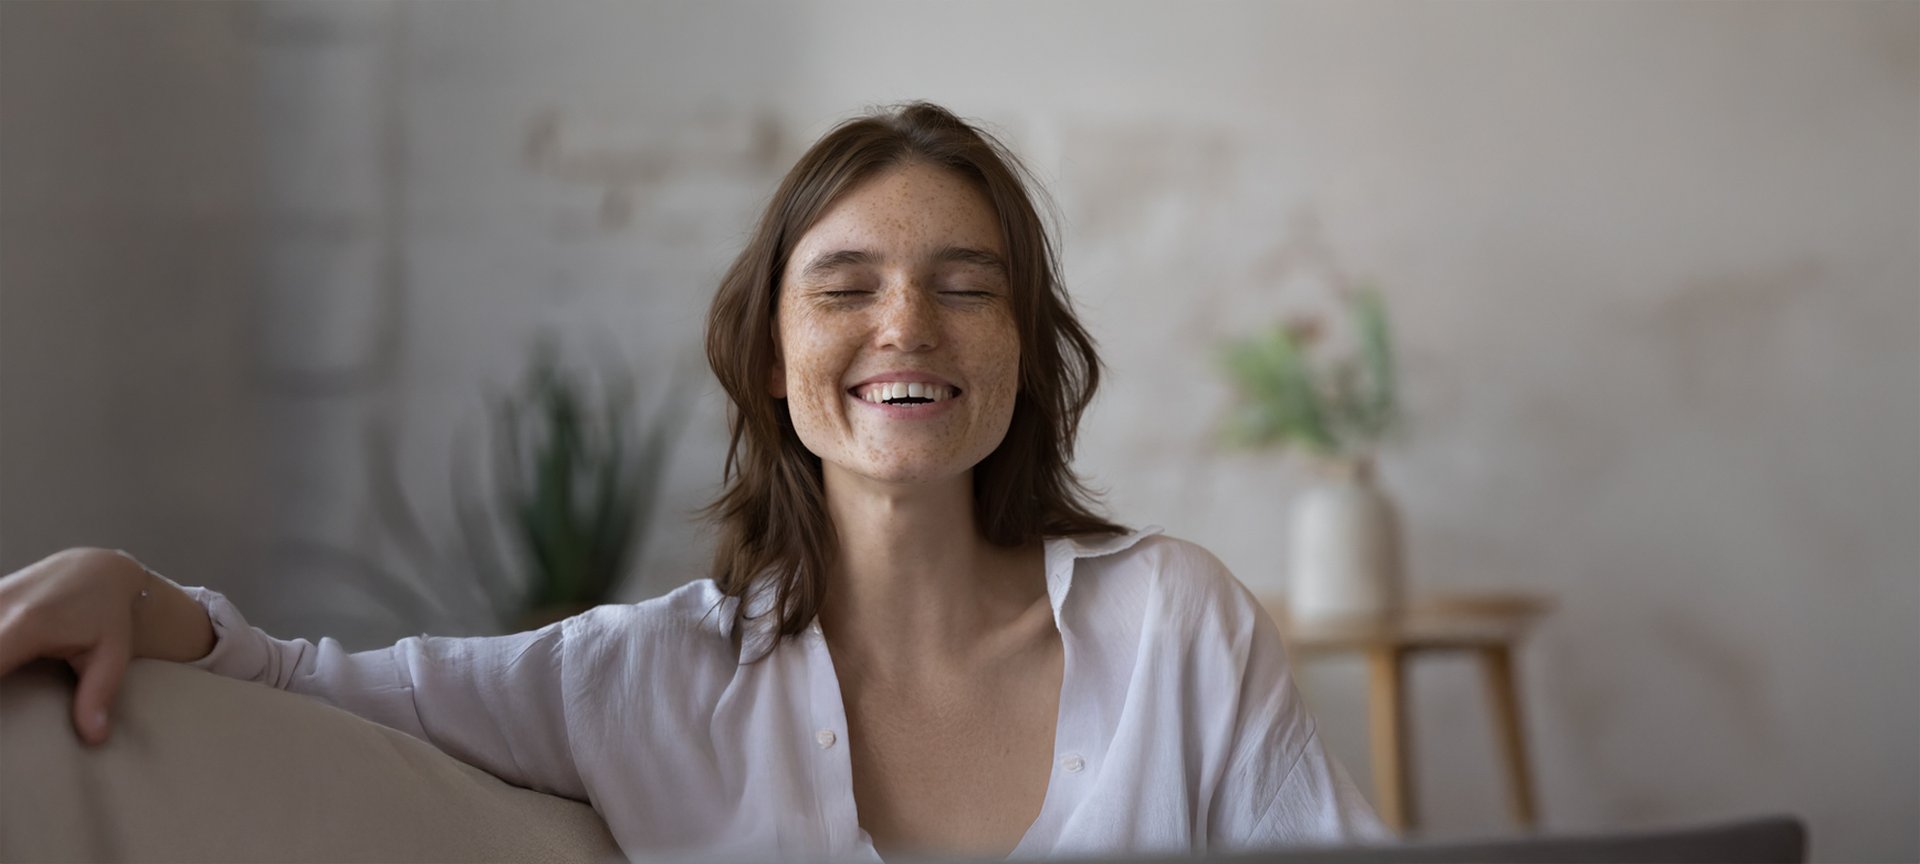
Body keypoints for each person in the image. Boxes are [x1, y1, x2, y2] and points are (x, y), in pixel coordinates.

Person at [0, 102, 1382, 860]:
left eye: (968, 287)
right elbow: (310, 682)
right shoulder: (641, 679)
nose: (907, 325)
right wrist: (130, 589)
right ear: (772, 359)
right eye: (845, 287)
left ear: (1024, 351)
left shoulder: (1178, 626)